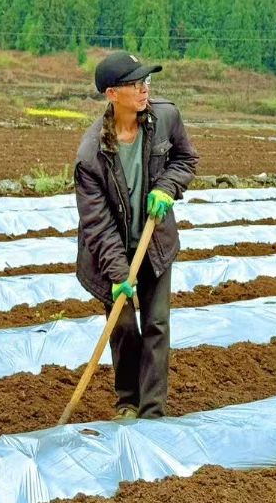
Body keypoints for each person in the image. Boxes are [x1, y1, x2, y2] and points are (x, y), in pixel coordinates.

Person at [74, 51, 198, 421]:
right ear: (112, 94)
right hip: (111, 251)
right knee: (124, 325)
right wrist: (117, 274)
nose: (144, 89)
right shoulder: (91, 154)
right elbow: (97, 223)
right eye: (134, 84)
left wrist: (167, 187)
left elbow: (186, 159)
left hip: (154, 241)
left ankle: (152, 410)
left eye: (145, 81)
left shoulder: (165, 117)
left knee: (156, 323)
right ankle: (127, 401)